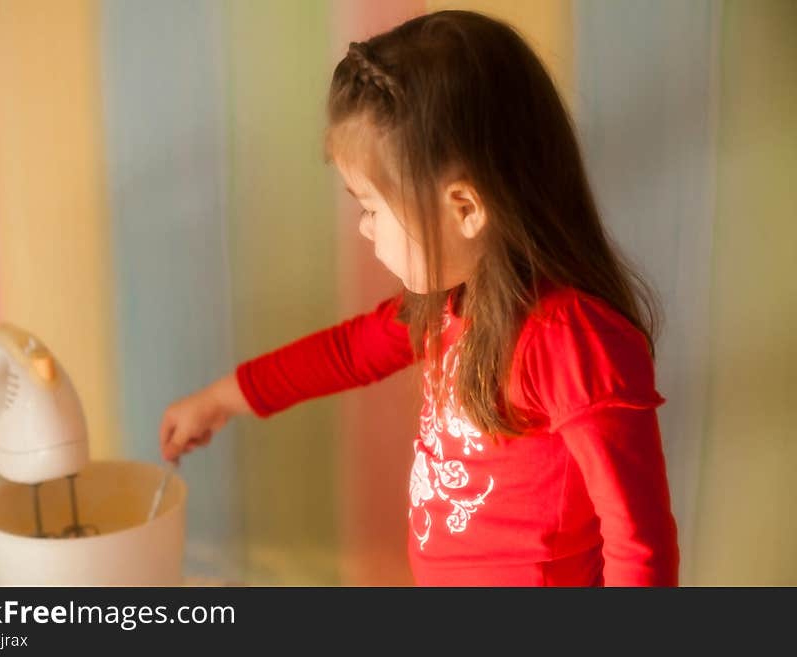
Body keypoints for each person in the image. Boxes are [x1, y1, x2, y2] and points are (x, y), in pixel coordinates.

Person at [159, 10, 679, 586]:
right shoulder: (452, 306)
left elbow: (639, 543)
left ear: (466, 208)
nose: (364, 229)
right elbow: (348, 352)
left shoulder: (570, 340)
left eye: (372, 209)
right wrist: (220, 399)